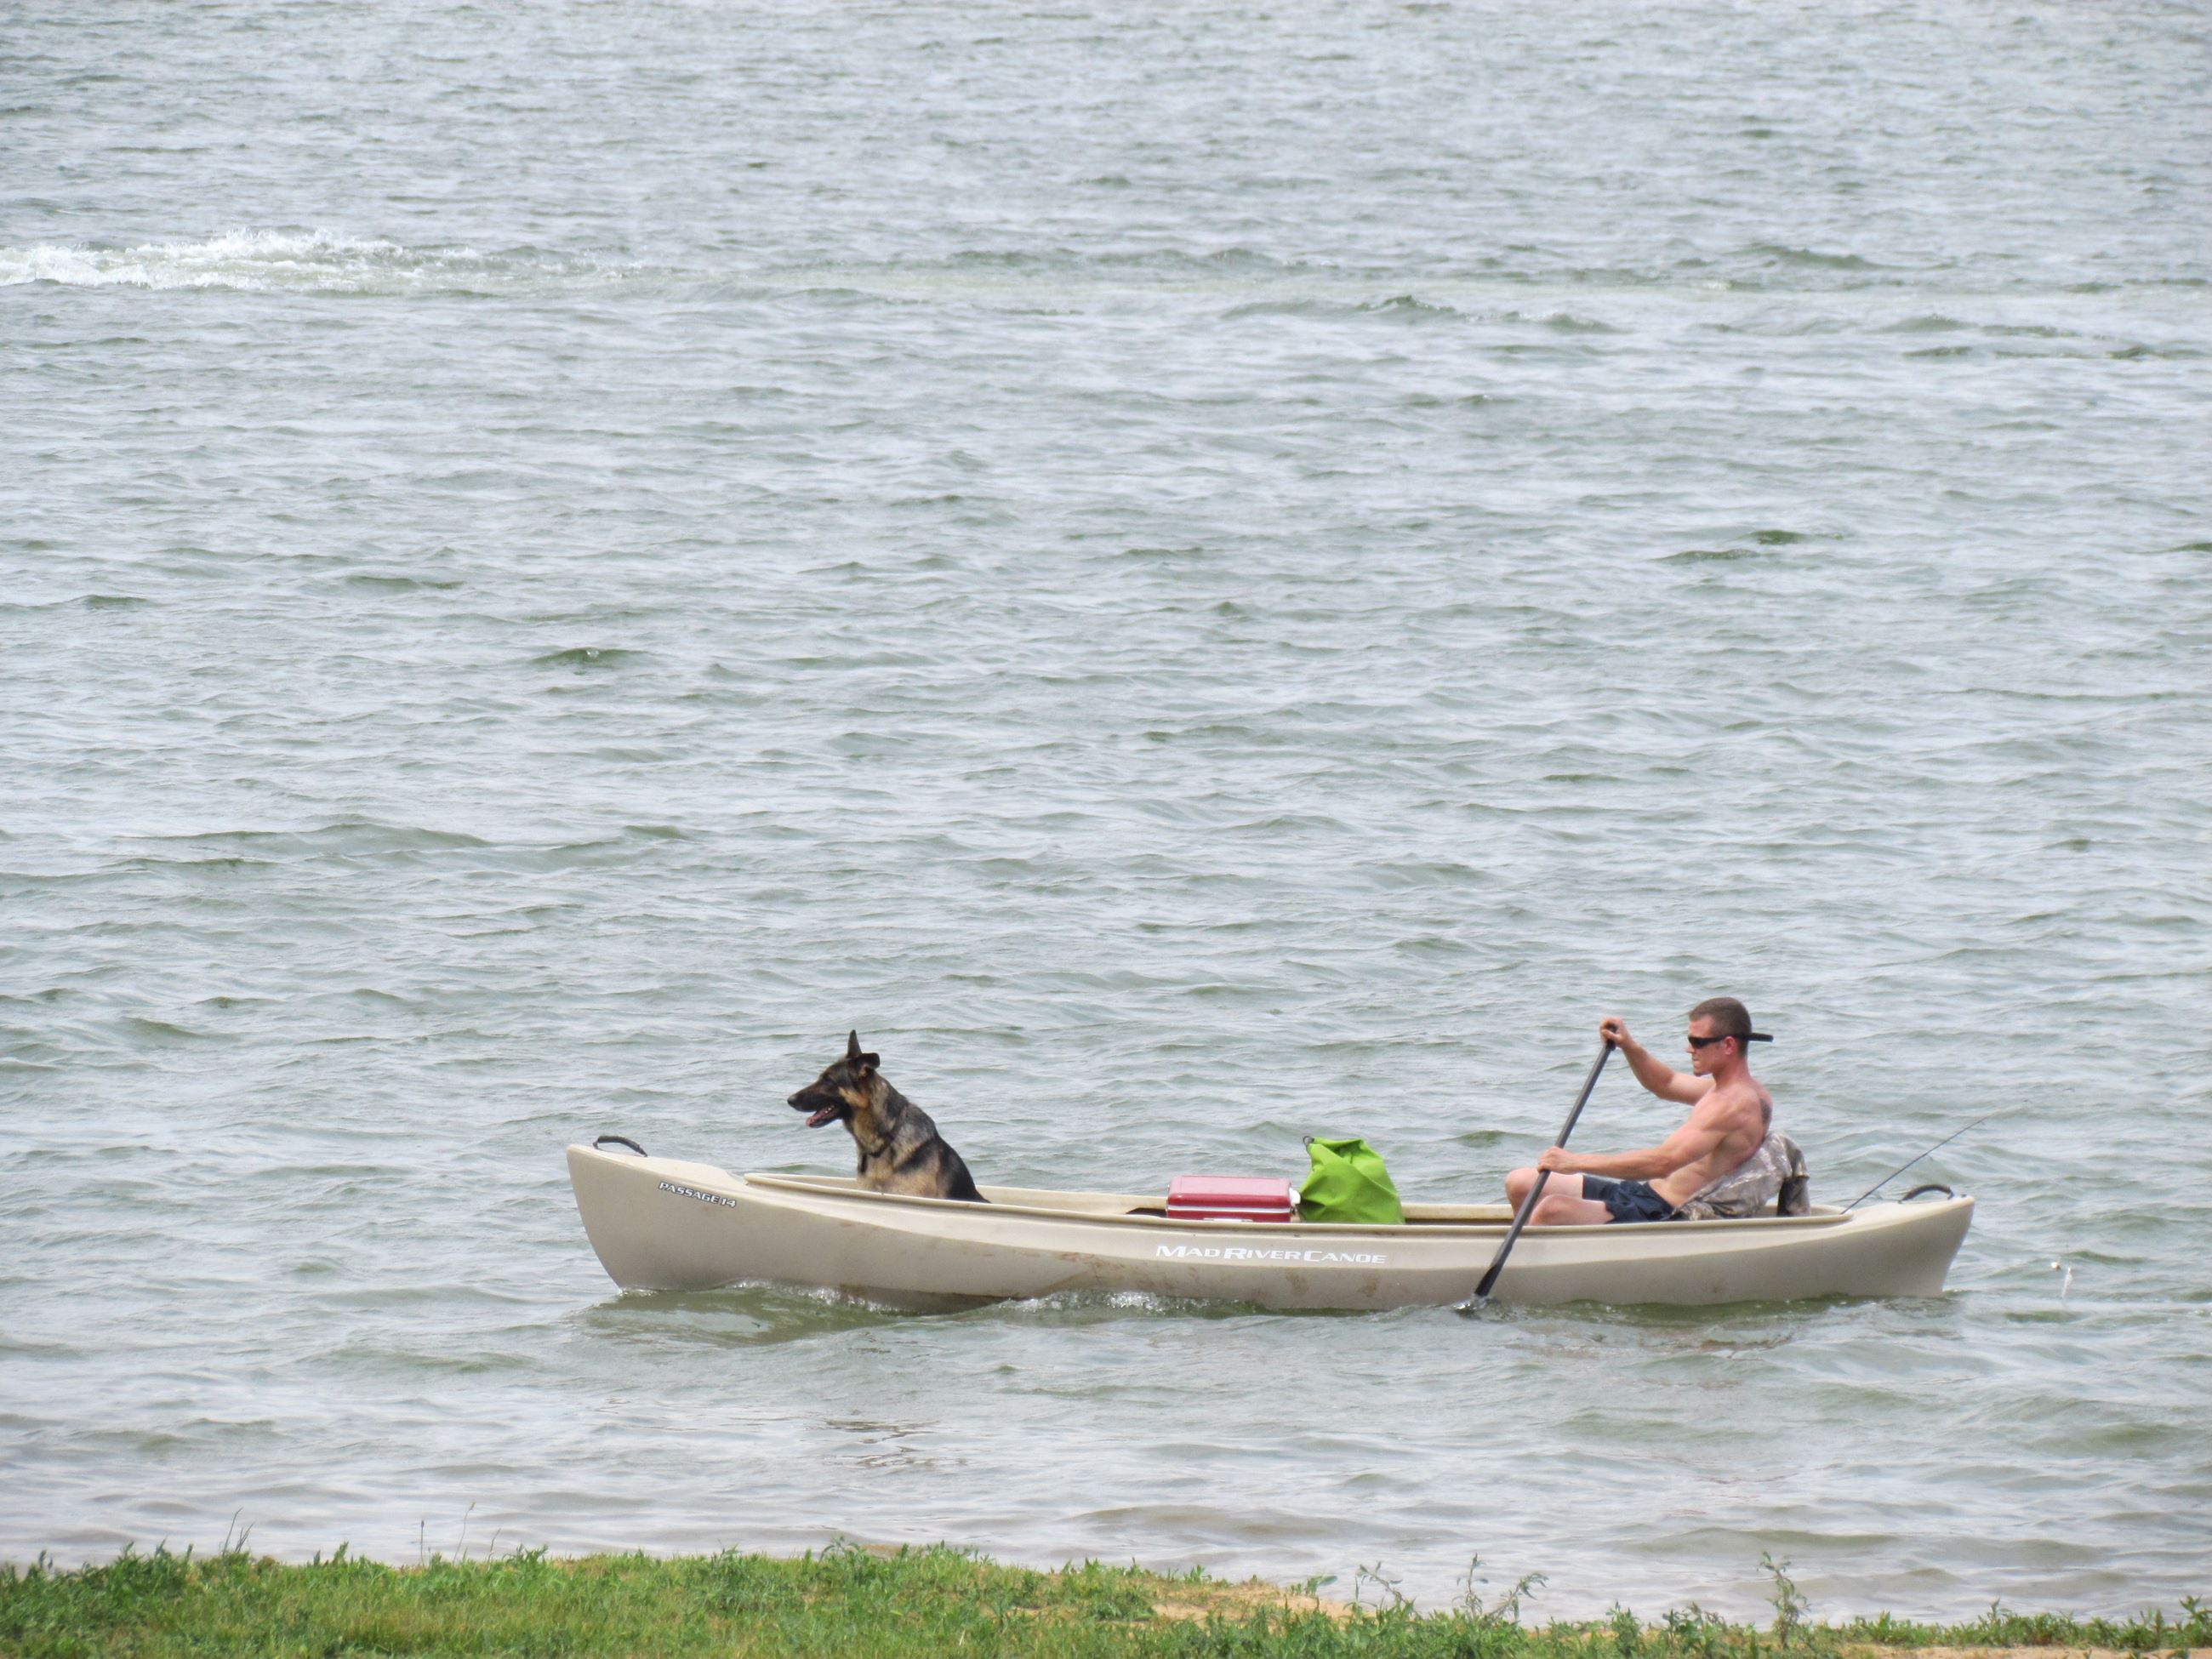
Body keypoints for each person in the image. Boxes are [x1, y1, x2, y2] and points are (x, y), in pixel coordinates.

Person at [1504, 998, 1774, 1225]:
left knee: (1553, 1210)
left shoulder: (1733, 1104)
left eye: (1697, 1041)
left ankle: (1526, 1265)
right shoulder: (1723, 1090)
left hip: (1664, 1213)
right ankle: (1537, 1256)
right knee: (1521, 1182)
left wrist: (1573, 1162)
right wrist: (1628, 1046)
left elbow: (1662, 1163)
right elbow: (1665, 1083)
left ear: (1728, 1045)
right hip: (1645, 1194)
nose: (1689, 1048)